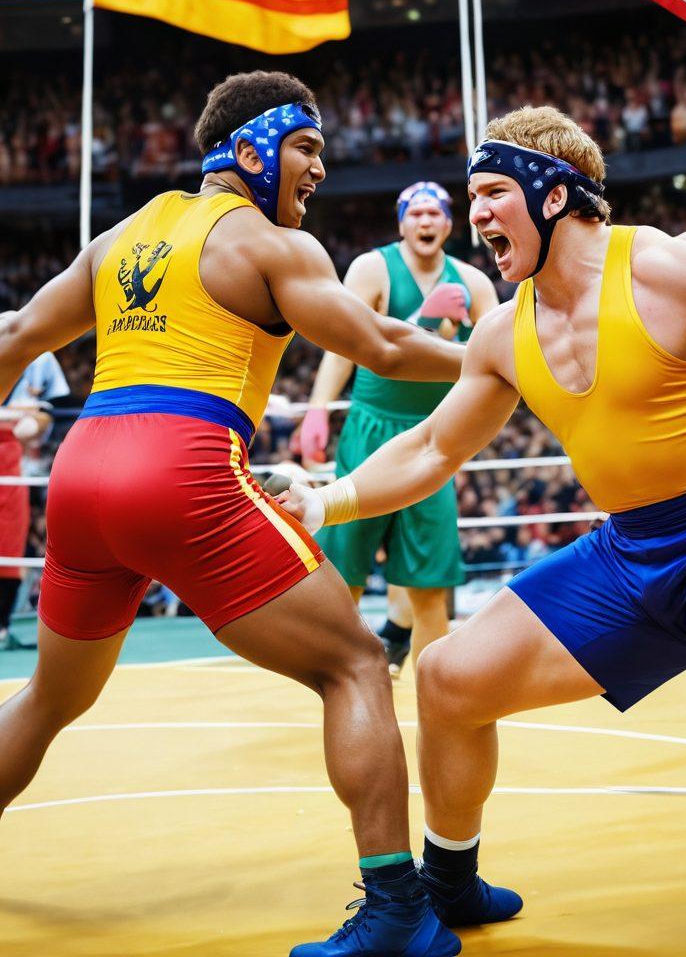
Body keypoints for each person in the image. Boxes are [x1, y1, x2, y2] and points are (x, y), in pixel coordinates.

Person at [278, 105, 686, 949]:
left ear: (556, 194)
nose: (476, 213)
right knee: (449, 677)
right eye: (473, 196)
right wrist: (327, 499)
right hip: (632, 548)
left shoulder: (673, 263)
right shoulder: (503, 331)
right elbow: (428, 447)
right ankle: (450, 885)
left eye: (493, 191)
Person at [0, 70, 462, 957]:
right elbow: (381, 344)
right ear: (252, 148)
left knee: (51, 695)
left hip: (84, 472)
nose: (321, 168)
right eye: (308, 147)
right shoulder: (270, 244)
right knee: (358, 664)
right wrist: (503, 351)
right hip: (181, 468)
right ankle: (400, 910)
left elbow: (18, 335)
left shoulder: (118, 238)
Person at [296, 181, 498, 672]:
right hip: (369, 428)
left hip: (435, 434)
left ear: (449, 222)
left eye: (434, 213)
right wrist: (319, 408)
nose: (425, 222)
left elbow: (500, 359)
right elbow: (347, 343)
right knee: (346, 570)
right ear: (401, 223)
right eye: (416, 214)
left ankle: (435, 688)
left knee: (430, 581)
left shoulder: (474, 283)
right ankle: (341, 680)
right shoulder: (372, 268)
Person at [0, 351, 69, 650]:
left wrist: (31, 418)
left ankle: (2, 625)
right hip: (13, 454)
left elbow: (50, 413)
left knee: (10, 542)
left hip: (13, 463)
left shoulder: (41, 361)